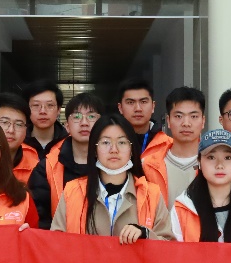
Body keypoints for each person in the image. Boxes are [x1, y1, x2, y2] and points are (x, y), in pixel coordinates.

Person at [50, 114, 173, 240]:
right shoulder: (72, 191)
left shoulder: (151, 194)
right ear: (94, 149)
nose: (114, 149)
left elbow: (168, 245)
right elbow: (56, 242)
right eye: (105, 142)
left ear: (131, 149)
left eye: (122, 142)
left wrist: (146, 234)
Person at [28, 91, 102, 229]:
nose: (84, 123)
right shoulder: (47, 168)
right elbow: (40, 219)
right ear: (67, 125)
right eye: (77, 117)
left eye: (91, 116)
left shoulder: (113, 164)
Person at [142, 86, 207, 208]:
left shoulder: (214, 164)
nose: (186, 123)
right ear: (168, 120)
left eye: (193, 116)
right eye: (178, 116)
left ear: (203, 121)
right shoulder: (148, 165)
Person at [0, 92, 40, 184]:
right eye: (4, 122)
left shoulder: (36, 168)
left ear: (26, 129)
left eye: (18, 124)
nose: (11, 130)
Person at [116, 77, 170, 157]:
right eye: (130, 102)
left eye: (143, 102)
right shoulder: (109, 143)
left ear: (153, 106)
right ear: (120, 108)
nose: (138, 108)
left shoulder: (167, 144)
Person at [22, 79, 67, 154]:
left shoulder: (70, 143)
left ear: (58, 109)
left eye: (50, 105)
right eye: (36, 105)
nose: (42, 111)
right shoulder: (18, 142)